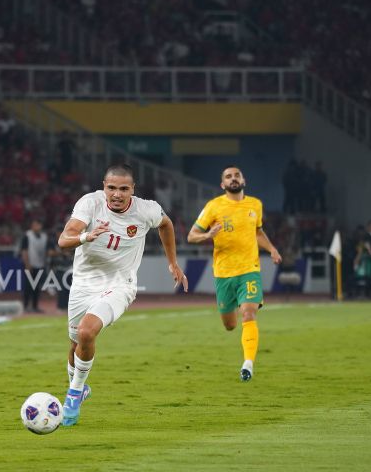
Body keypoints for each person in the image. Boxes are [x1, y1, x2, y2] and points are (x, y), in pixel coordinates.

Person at [57, 163, 188, 426]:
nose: (117, 194)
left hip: (121, 284)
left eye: (123, 189)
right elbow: (64, 239)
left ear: (132, 190)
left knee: (86, 332)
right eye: (112, 188)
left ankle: (73, 393)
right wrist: (86, 237)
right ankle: (79, 388)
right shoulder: (90, 203)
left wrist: (172, 262)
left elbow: (166, 224)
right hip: (84, 283)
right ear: (104, 187)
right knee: (75, 344)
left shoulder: (146, 210)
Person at [187, 167, 282, 382]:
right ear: (222, 184)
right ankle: (238, 324)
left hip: (249, 270)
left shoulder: (255, 204)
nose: (233, 179)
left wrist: (272, 249)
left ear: (243, 180)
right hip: (223, 274)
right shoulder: (214, 206)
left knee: (249, 314)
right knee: (230, 325)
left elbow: (258, 231)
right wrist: (208, 235)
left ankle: (248, 364)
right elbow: (192, 236)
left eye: (236, 175)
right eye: (228, 177)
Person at [19, 218, 52, 313]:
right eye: (35, 225)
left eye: (38, 225)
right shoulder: (27, 236)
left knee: (37, 287)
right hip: (30, 265)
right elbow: (24, 250)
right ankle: (25, 306)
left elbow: (47, 250)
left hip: (40, 265)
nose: (37, 227)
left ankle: (34, 306)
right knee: (28, 286)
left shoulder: (44, 236)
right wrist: (27, 264)